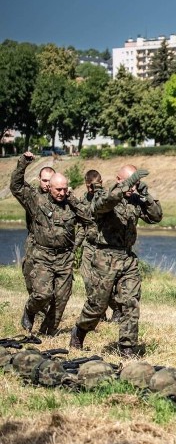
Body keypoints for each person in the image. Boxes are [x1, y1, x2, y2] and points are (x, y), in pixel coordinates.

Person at [69, 165, 163, 357]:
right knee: (98, 305)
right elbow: (103, 204)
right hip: (105, 258)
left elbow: (156, 216)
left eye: (135, 183)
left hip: (127, 258)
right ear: (119, 179)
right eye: (129, 182)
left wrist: (145, 193)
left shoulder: (135, 198)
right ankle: (80, 330)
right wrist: (126, 186)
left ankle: (127, 347)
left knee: (130, 302)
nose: (132, 187)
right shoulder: (103, 194)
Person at [11, 152, 90, 336]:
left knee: (61, 299)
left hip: (64, 257)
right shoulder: (37, 200)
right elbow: (16, 186)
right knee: (42, 294)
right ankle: (29, 311)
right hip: (43, 256)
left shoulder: (71, 203)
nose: (61, 193)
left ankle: (47, 333)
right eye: (58, 190)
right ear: (49, 188)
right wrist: (23, 163)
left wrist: (72, 199)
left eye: (64, 189)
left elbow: (88, 218)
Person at [78, 169, 121, 323]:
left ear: (101, 183)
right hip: (89, 245)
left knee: (105, 284)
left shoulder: (107, 198)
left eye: (95, 186)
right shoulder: (83, 199)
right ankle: (98, 313)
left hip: (104, 247)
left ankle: (116, 309)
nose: (92, 190)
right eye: (90, 187)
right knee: (88, 281)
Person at [17, 161, 55, 331]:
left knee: (53, 289)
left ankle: (47, 321)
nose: (47, 184)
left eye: (50, 180)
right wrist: (23, 164)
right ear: (39, 179)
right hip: (35, 244)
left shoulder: (60, 196)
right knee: (32, 282)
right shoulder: (32, 196)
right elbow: (16, 185)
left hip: (55, 249)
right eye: (44, 180)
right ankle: (33, 312)